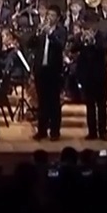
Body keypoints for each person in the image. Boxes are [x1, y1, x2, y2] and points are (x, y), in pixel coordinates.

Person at [33, 7, 66, 141]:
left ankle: (54, 131)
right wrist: (36, 33)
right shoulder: (42, 30)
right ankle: (41, 131)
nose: (49, 17)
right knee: (42, 102)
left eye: (52, 15)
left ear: (57, 18)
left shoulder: (61, 31)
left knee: (54, 102)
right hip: (41, 70)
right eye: (48, 15)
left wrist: (50, 34)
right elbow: (31, 44)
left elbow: (60, 45)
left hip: (54, 71)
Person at [74, 21, 107, 141]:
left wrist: (93, 42)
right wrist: (82, 41)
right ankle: (92, 132)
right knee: (90, 106)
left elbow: (104, 49)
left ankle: (103, 131)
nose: (89, 31)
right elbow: (74, 48)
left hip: (100, 77)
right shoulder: (81, 37)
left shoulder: (102, 36)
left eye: (91, 28)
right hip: (87, 77)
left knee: (101, 106)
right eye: (86, 28)